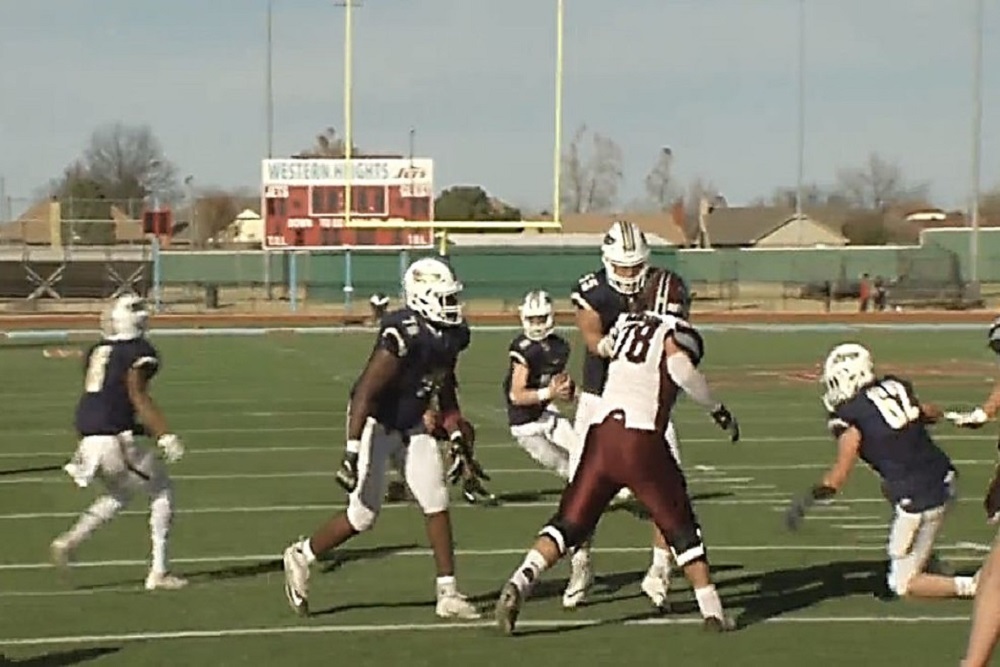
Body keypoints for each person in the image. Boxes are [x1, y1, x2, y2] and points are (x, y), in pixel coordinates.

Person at [494, 268, 739, 635]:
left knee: (570, 522)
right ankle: (713, 611)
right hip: (641, 440)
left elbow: (605, 347)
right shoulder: (678, 333)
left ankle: (521, 579)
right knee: (681, 524)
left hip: (600, 433)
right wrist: (719, 410)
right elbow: (681, 370)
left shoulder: (625, 323)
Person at [282, 257, 483, 620]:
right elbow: (364, 392)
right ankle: (301, 555)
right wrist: (351, 450)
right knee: (362, 516)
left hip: (412, 424)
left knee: (436, 498)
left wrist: (454, 431)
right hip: (375, 422)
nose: (453, 306)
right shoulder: (402, 335)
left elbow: (444, 385)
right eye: (445, 297)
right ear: (423, 298)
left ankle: (448, 593)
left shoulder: (452, 335)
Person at [785, 343, 978, 602]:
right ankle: (929, 558)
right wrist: (942, 414)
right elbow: (925, 411)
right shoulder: (894, 386)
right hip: (945, 476)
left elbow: (838, 476)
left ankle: (976, 585)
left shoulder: (849, 416)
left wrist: (808, 498)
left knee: (902, 584)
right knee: (889, 485)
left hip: (922, 497)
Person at [51, 294, 187, 591]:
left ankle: (70, 541)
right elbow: (137, 394)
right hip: (113, 438)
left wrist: (138, 428)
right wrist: (164, 434)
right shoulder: (139, 351)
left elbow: (102, 397)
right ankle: (159, 572)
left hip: (89, 434)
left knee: (120, 494)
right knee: (162, 489)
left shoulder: (98, 350)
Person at [504, 290, 577, 480]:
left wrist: (567, 391)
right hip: (525, 424)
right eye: (532, 319)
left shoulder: (560, 346)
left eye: (540, 318)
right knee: (562, 464)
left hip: (546, 413)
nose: (536, 325)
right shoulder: (523, 349)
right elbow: (516, 395)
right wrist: (550, 392)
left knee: (581, 451)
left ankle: (610, 490)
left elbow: (558, 382)